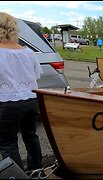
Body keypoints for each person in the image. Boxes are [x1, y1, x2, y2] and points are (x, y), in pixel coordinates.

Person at [0, 12, 43, 171]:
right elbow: (35, 75)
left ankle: (15, 175)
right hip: (31, 100)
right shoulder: (27, 52)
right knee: (31, 136)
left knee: (8, 142)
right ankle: (36, 170)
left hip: (6, 102)